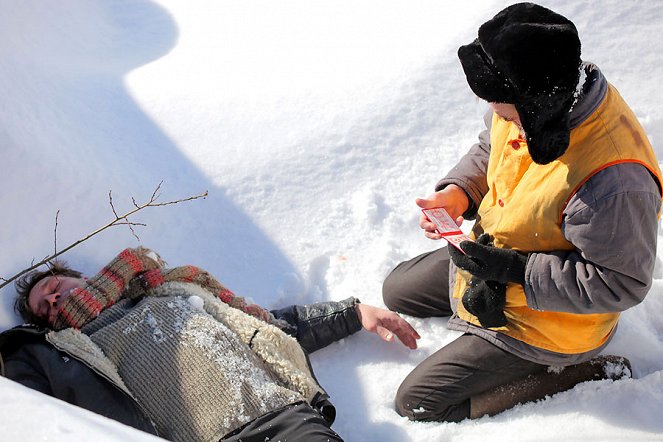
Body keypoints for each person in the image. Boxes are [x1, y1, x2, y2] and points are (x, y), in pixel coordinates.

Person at [382, 2, 661, 422]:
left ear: (535, 105)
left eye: (502, 108)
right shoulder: (541, 96)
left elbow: (620, 284)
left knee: (419, 402)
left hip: (552, 324)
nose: (497, 116)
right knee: (395, 290)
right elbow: (490, 146)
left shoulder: (615, 184)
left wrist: (514, 272)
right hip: (494, 256)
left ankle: (576, 372)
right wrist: (460, 192)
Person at [0, 246, 420, 441]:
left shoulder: (171, 288)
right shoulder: (71, 348)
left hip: (280, 416)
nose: (55, 299)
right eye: (45, 306)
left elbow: (265, 328)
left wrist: (352, 314)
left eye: (54, 286)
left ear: (76, 275)